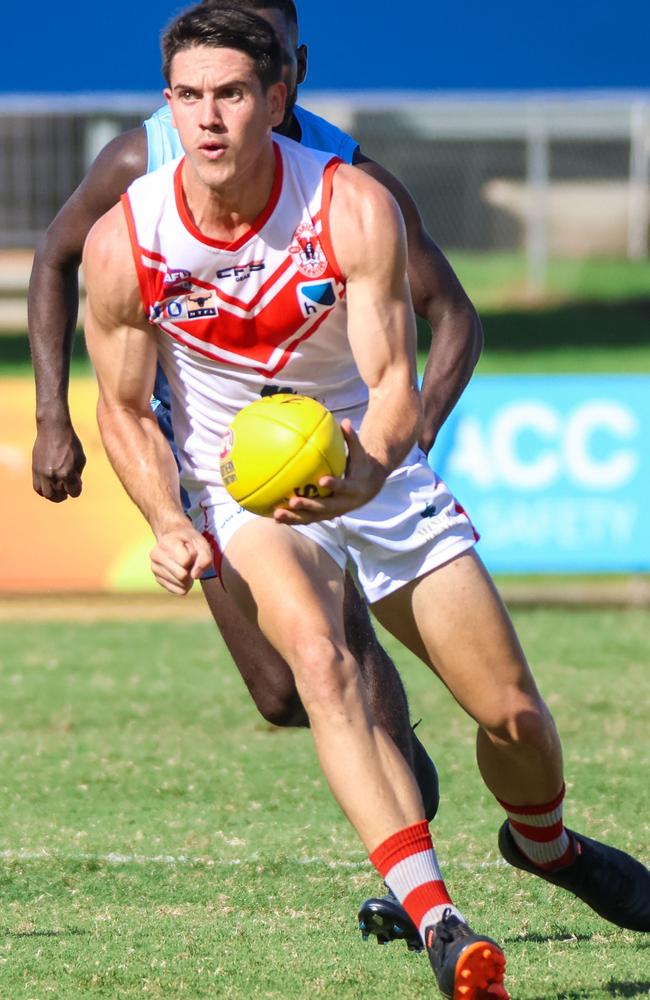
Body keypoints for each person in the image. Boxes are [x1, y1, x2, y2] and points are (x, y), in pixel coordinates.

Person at [82, 6, 650, 998]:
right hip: (241, 486)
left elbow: (393, 377)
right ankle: (437, 920)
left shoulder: (348, 205)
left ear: (277, 97)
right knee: (318, 659)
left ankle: (543, 843)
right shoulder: (125, 240)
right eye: (185, 96)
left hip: (370, 469)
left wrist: (371, 465)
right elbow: (123, 409)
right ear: (165, 102)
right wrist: (170, 520)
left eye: (228, 94)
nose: (205, 120)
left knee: (511, 715)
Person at [28, 0, 484, 950]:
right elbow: (57, 261)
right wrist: (50, 415)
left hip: (350, 447)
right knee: (284, 690)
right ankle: (396, 791)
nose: (214, 112)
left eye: (249, 75)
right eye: (197, 88)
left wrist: (402, 446)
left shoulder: (345, 177)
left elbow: (452, 312)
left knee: (336, 660)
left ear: (290, 73)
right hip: (211, 461)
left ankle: (418, 885)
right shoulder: (138, 164)